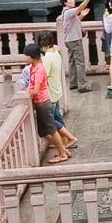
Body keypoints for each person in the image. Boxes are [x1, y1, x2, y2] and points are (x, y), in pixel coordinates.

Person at [22, 44, 69, 165]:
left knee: (52, 130)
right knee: (42, 132)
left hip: (43, 102)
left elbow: (36, 90)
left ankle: (62, 153)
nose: (25, 58)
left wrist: (26, 95)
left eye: (26, 56)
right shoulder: (33, 67)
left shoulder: (39, 70)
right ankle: (62, 149)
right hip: (40, 102)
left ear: (32, 56)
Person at [36, 30, 76, 158]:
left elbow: (43, 76)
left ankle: (70, 138)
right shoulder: (56, 53)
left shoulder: (47, 57)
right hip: (56, 89)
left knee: (51, 121)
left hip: (50, 92)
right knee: (57, 116)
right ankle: (64, 139)